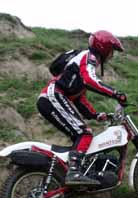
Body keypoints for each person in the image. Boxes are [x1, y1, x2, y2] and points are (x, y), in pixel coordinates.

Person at [36, 30, 127, 185]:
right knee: (85, 133)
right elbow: (89, 81)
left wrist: (96, 115)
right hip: (53, 96)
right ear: (103, 47)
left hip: (52, 98)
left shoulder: (84, 63)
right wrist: (116, 94)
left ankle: (72, 171)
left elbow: (80, 99)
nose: (112, 55)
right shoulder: (88, 57)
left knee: (81, 138)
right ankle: (74, 173)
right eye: (112, 51)